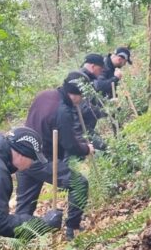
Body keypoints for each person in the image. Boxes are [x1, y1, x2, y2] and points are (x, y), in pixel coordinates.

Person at [16, 71, 94, 240]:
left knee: (24, 208)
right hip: (42, 159)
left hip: (21, 155)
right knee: (79, 183)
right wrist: (86, 149)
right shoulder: (62, 111)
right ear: (74, 94)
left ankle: (20, 242)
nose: (81, 101)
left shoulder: (44, 95)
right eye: (81, 96)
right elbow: (71, 145)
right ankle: (72, 229)